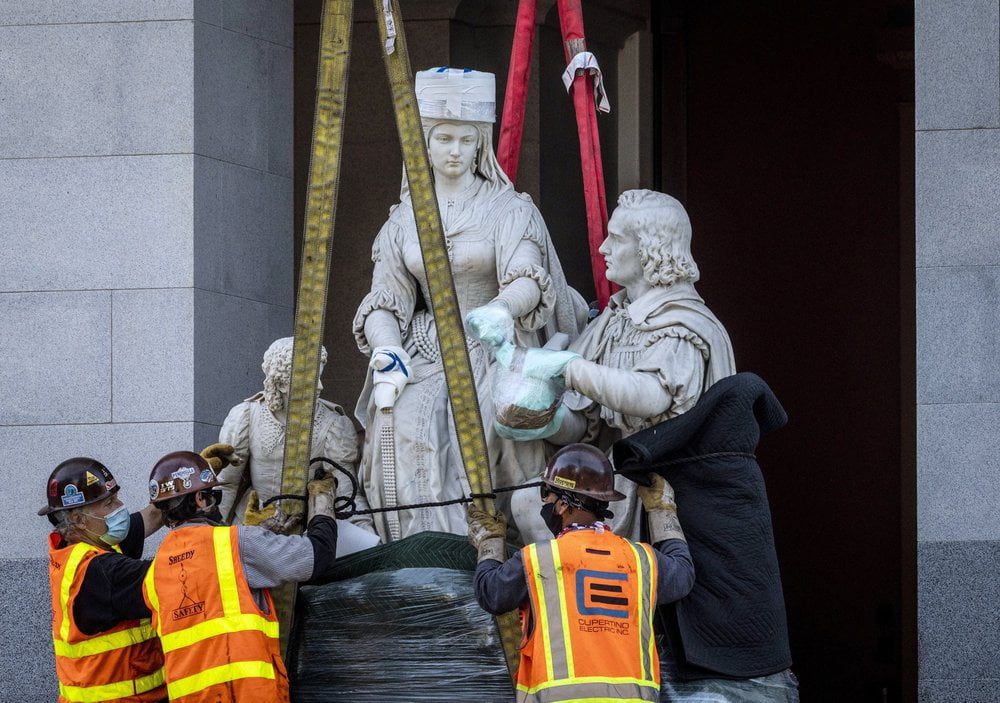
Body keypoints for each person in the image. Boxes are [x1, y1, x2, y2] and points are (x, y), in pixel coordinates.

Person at [353, 67, 586, 540]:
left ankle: (481, 549)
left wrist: (501, 309)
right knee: (395, 424)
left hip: (490, 344)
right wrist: (386, 348)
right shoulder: (403, 221)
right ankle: (416, 550)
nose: (454, 150)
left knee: (485, 425)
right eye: (443, 138)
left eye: (465, 138)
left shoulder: (509, 209)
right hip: (420, 348)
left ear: (480, 142)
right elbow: (385, 297)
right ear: (426, 143)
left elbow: (527, 275)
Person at [507, 189, 737, 541]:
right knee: (531, 498)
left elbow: (649, 396)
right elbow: (588, 422)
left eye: (616, 239)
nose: (603, 249)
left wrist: (566, 368)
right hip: (620, 466)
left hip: (664, 479)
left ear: (650, 247)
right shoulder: (614, 321)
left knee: (540, 507)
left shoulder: (682, 325)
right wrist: (541, 415)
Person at [469, 443, 694, 703]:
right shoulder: (641, 560)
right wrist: (662, 510)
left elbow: (490, 593)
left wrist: (489, 541)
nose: (546, 503)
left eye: (548, 495)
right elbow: (683, 575)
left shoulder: (539, 559)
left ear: (564, 505)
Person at [141, 450, 340, 702]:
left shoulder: (154, 571)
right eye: (215, 495)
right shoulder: (237, 543)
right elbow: (317, 556)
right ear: (201, 499)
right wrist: (323, 501)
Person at [217, 336, 376, 540]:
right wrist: (209, 538)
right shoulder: (246, 416)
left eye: (320, 377)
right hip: (250, 533)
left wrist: (366, 534)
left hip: (305, 540)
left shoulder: (334, 424)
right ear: (282, 383)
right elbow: (226, 484)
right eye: (311, 379)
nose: (319, 386)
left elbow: (346, 495)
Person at [40, 457, 167, 702]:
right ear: (78, 519)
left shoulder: (79, 549)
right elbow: (180, 574)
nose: (120, 507)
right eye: (109, 503)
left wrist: (190, 477)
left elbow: (152, 516)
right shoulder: (100, 571)